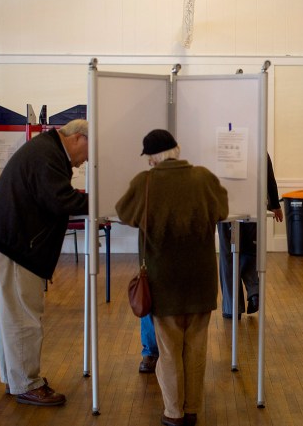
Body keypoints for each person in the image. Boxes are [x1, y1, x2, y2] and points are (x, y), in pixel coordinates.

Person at [116, 129, 228, 426]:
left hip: (163, 282)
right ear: (177, 149)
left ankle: (173, 413)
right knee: (196, 347)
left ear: (152, 158)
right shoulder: (204, 177)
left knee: (168, 350)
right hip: (201, 280)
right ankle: (192, 409)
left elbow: (124, 213)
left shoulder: (146, 182)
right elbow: (223, 210)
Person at [0, 119, 89, 406]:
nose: (85, 161)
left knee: (11, 312)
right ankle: (27, 383)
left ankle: (16, 379)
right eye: (88, 151)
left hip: (7, 235)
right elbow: (60, 200)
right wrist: (99, 202)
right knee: (23, 314)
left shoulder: (47, 149)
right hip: (16, 241)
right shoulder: (48, 154)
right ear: (78, 138)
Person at [218, 154, 283, 319]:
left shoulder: (223, 144)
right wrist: (275, 205)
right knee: (249, 250)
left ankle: (232, 307)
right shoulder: (259, 144)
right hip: (252, 207)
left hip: (227, 207)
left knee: (229, 257)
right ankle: (254, 290)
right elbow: (269, 178)